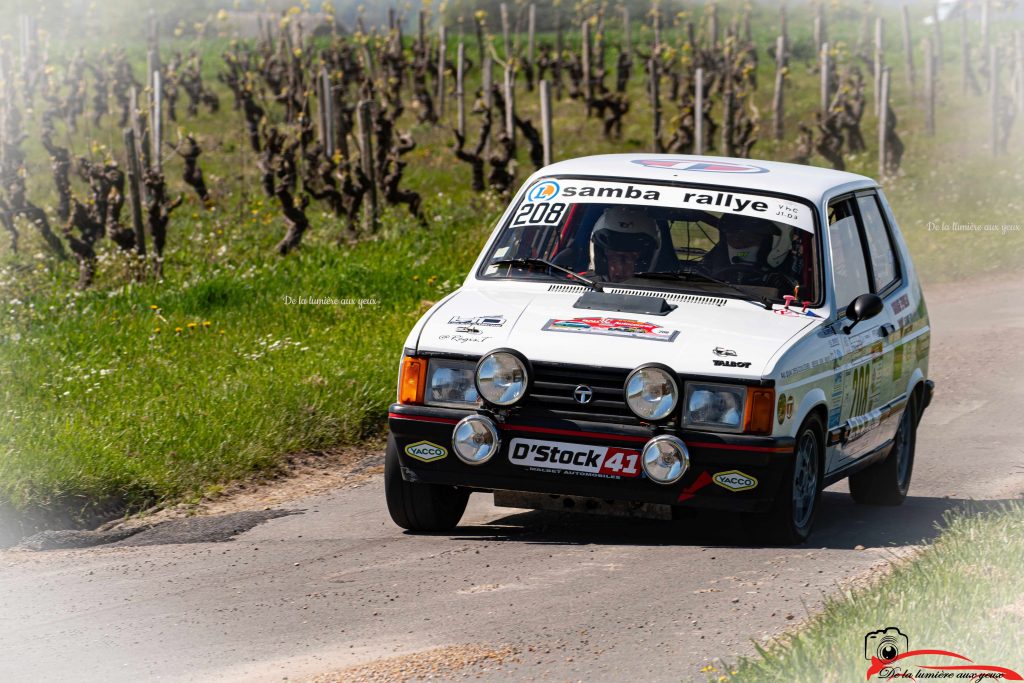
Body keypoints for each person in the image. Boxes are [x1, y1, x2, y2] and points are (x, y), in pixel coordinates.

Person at [701, 213, 797, 291]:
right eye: (732, 237)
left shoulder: (794, 273)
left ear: (777, 242)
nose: (738, 241)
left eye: (747, 238)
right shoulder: (711, 264)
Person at [588, 206, 660, 281]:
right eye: (614, 258)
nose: (620, 268)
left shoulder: (666, 287)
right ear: (600, 257)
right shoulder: (582, 285)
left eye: (628, 259)